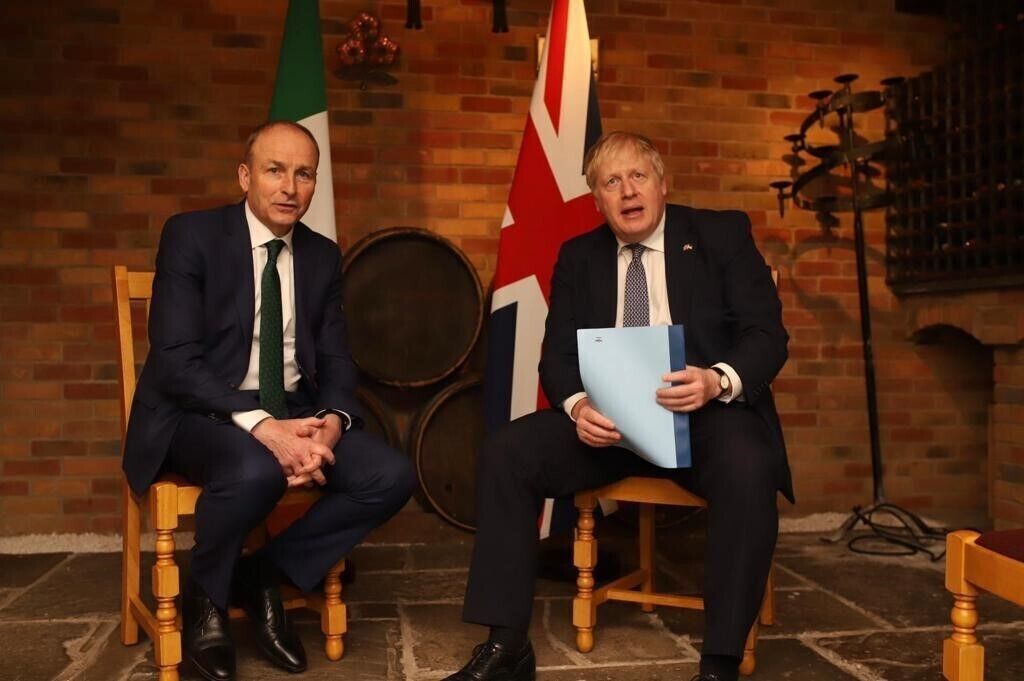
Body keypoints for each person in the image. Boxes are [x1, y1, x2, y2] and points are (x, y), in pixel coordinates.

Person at [445, 131, 792, 681]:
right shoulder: (579, 256)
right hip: (609, 428)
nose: (627, 191)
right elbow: (556, 356)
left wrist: (715, 380)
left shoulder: (721, 233)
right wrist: (580, 407)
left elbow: (767, 336)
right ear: (597, 200)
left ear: (662, 183)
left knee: (750, 465)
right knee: (507, 453)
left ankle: (720, 662)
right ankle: (507, 644)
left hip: (705, 418)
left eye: (638, 176)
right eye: (611, 182)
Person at [122, 121, 416, 681]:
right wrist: (262, 426)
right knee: (257, 471)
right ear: (245, 176)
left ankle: (262, 575)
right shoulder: (191, 235)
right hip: (194, 411)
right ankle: (205, 599)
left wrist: (332, 422)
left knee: (390, 475)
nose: (289, 187)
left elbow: (335, 360)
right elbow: (174, 359)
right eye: (274, 170)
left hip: (293, 407)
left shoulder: (322, 256)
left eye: (304, 174)